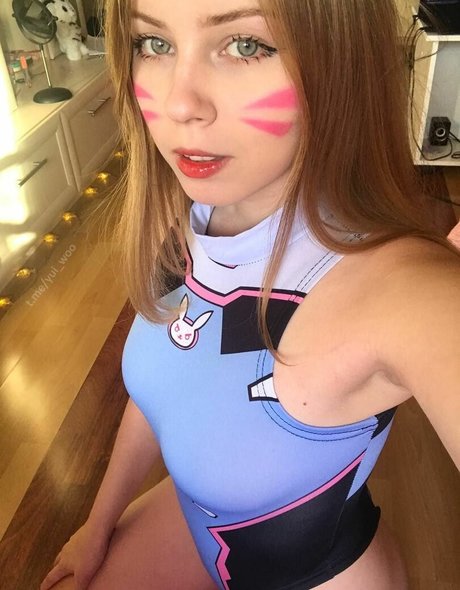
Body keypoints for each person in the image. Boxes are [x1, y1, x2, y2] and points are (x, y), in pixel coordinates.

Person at [41, 0, 460, 589]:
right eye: (154, 44)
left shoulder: (405, 290)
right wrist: (97, 524)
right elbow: (165, 391)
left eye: (245, 45)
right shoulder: (188, 214)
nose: (181, 104)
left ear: (339, 59)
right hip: (203, 527)